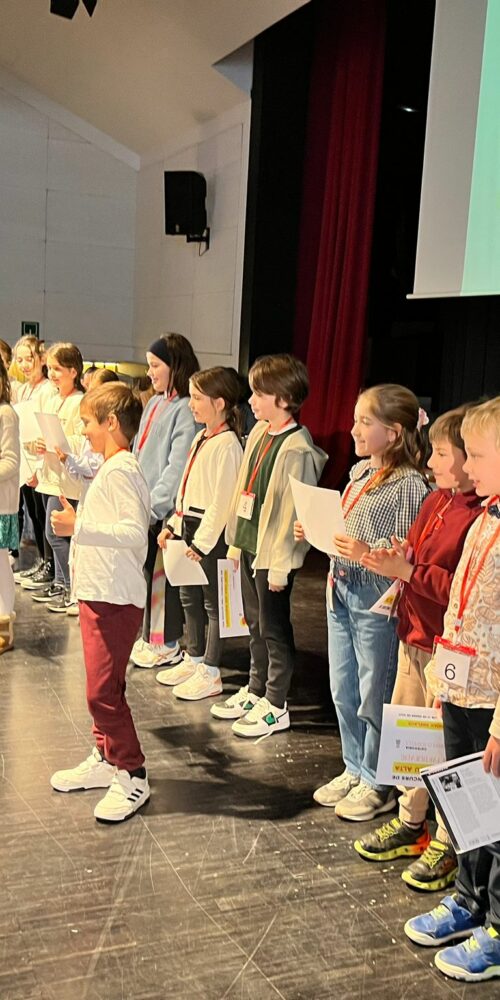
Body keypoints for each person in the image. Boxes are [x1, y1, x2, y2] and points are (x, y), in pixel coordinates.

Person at [352, 404, 482, 888]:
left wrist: (408, 571)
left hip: (447, 650)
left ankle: (449, 838)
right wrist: (396, 555)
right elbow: (415, 548)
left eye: (442, 454)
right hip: (413, 634)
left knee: (447, 750)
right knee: (412, 741)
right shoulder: (438, 500)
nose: (430, 463)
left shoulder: (480, 515)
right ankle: (412, 822)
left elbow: (462, 590)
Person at [404, 396, 500, 982]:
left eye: (479, 455)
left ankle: (498, 926)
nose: (467, 465)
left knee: (499, 818)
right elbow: (461, 610)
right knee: (468, 808)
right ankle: (468, 897)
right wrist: (442, 676)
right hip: (462, 688)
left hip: (494, 705)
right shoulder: (485, 517)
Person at [306, 384, 429, 821]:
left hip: (375, 597)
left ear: (393, 433)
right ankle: (354, 766)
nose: (354, 429)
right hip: (340, 586)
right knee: (343, 687)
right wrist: (318, 531)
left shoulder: (409, 484)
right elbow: (346, 528)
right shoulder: (360, 472)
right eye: (355, 419)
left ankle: (378, 783)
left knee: (374, 690)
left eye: (365, 422)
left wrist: (364, 551)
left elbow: (405, 551)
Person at [49, 383, 151, 823]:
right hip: (99, 593)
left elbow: (134, 533)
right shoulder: (111, 467)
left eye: (88, 422)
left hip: (114, 598)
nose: (83, 431)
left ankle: (133, 772)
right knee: (103, 687)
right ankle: (107, 756)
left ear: (111, 423)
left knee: (102, 692)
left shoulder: (122, 470)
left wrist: (80, 526)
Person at [215, 354, 327, 738]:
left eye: (259, 394)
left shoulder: (297, 447)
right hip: (249, 545)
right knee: (253, 624)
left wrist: (282, 565)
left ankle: (276, 703)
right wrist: (234, 542)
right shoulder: (261, 434)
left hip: (273, 555)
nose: (251, 401)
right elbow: (243, 488)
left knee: (273, 628)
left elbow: (294, 513)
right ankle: (256, 689)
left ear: (283, 398)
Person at [156, 366, 243, 699]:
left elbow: (222, 502)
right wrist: (174, 526)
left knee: (213, 604)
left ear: (219, 403)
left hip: (211, 534)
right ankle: (193, 657)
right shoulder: (201, 437)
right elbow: (186, 488)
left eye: (197, 398)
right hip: (190, 526)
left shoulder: (228, 444)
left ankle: (210, 669)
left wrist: (203, 543)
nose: (191, 404)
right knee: (188, 596)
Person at [131, 334, 198, 669]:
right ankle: (150, 636)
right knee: (149, 575)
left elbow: (177, 465)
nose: (149, 372)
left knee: (163, 577)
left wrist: (154, 506)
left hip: (165, 510)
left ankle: (166, 642)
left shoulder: (186, 409)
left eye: (155, 365)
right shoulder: (156, 403)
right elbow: (139, 451)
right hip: (144, 504)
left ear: (175, 366)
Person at [32, 343, 85, 613]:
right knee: (52, 533)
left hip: (68, 479)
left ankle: (70, 587)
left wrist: (59, 442)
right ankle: (61, 583)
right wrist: (41, 443)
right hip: (51, 475)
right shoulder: (53, 400)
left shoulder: (79, 401)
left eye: (58, 369)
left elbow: (83, 439)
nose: (52, 374)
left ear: (73, 372)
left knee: (56, 535)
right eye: (50, 368)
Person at [13, 336, 56, 588]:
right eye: (20, 360)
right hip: (26, 457)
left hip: (41, 459)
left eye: (29, 358)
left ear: (41, 358)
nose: (25, 365)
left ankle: (49, 564)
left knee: (42, 513)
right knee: (33, 511)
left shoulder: (47, 389)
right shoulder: (23, 389)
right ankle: (41, 559)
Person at [0, 354, 20, 654]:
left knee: (0, 562)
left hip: (1, 504)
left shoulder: (6, 413)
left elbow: (11, 461)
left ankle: (4, 625)